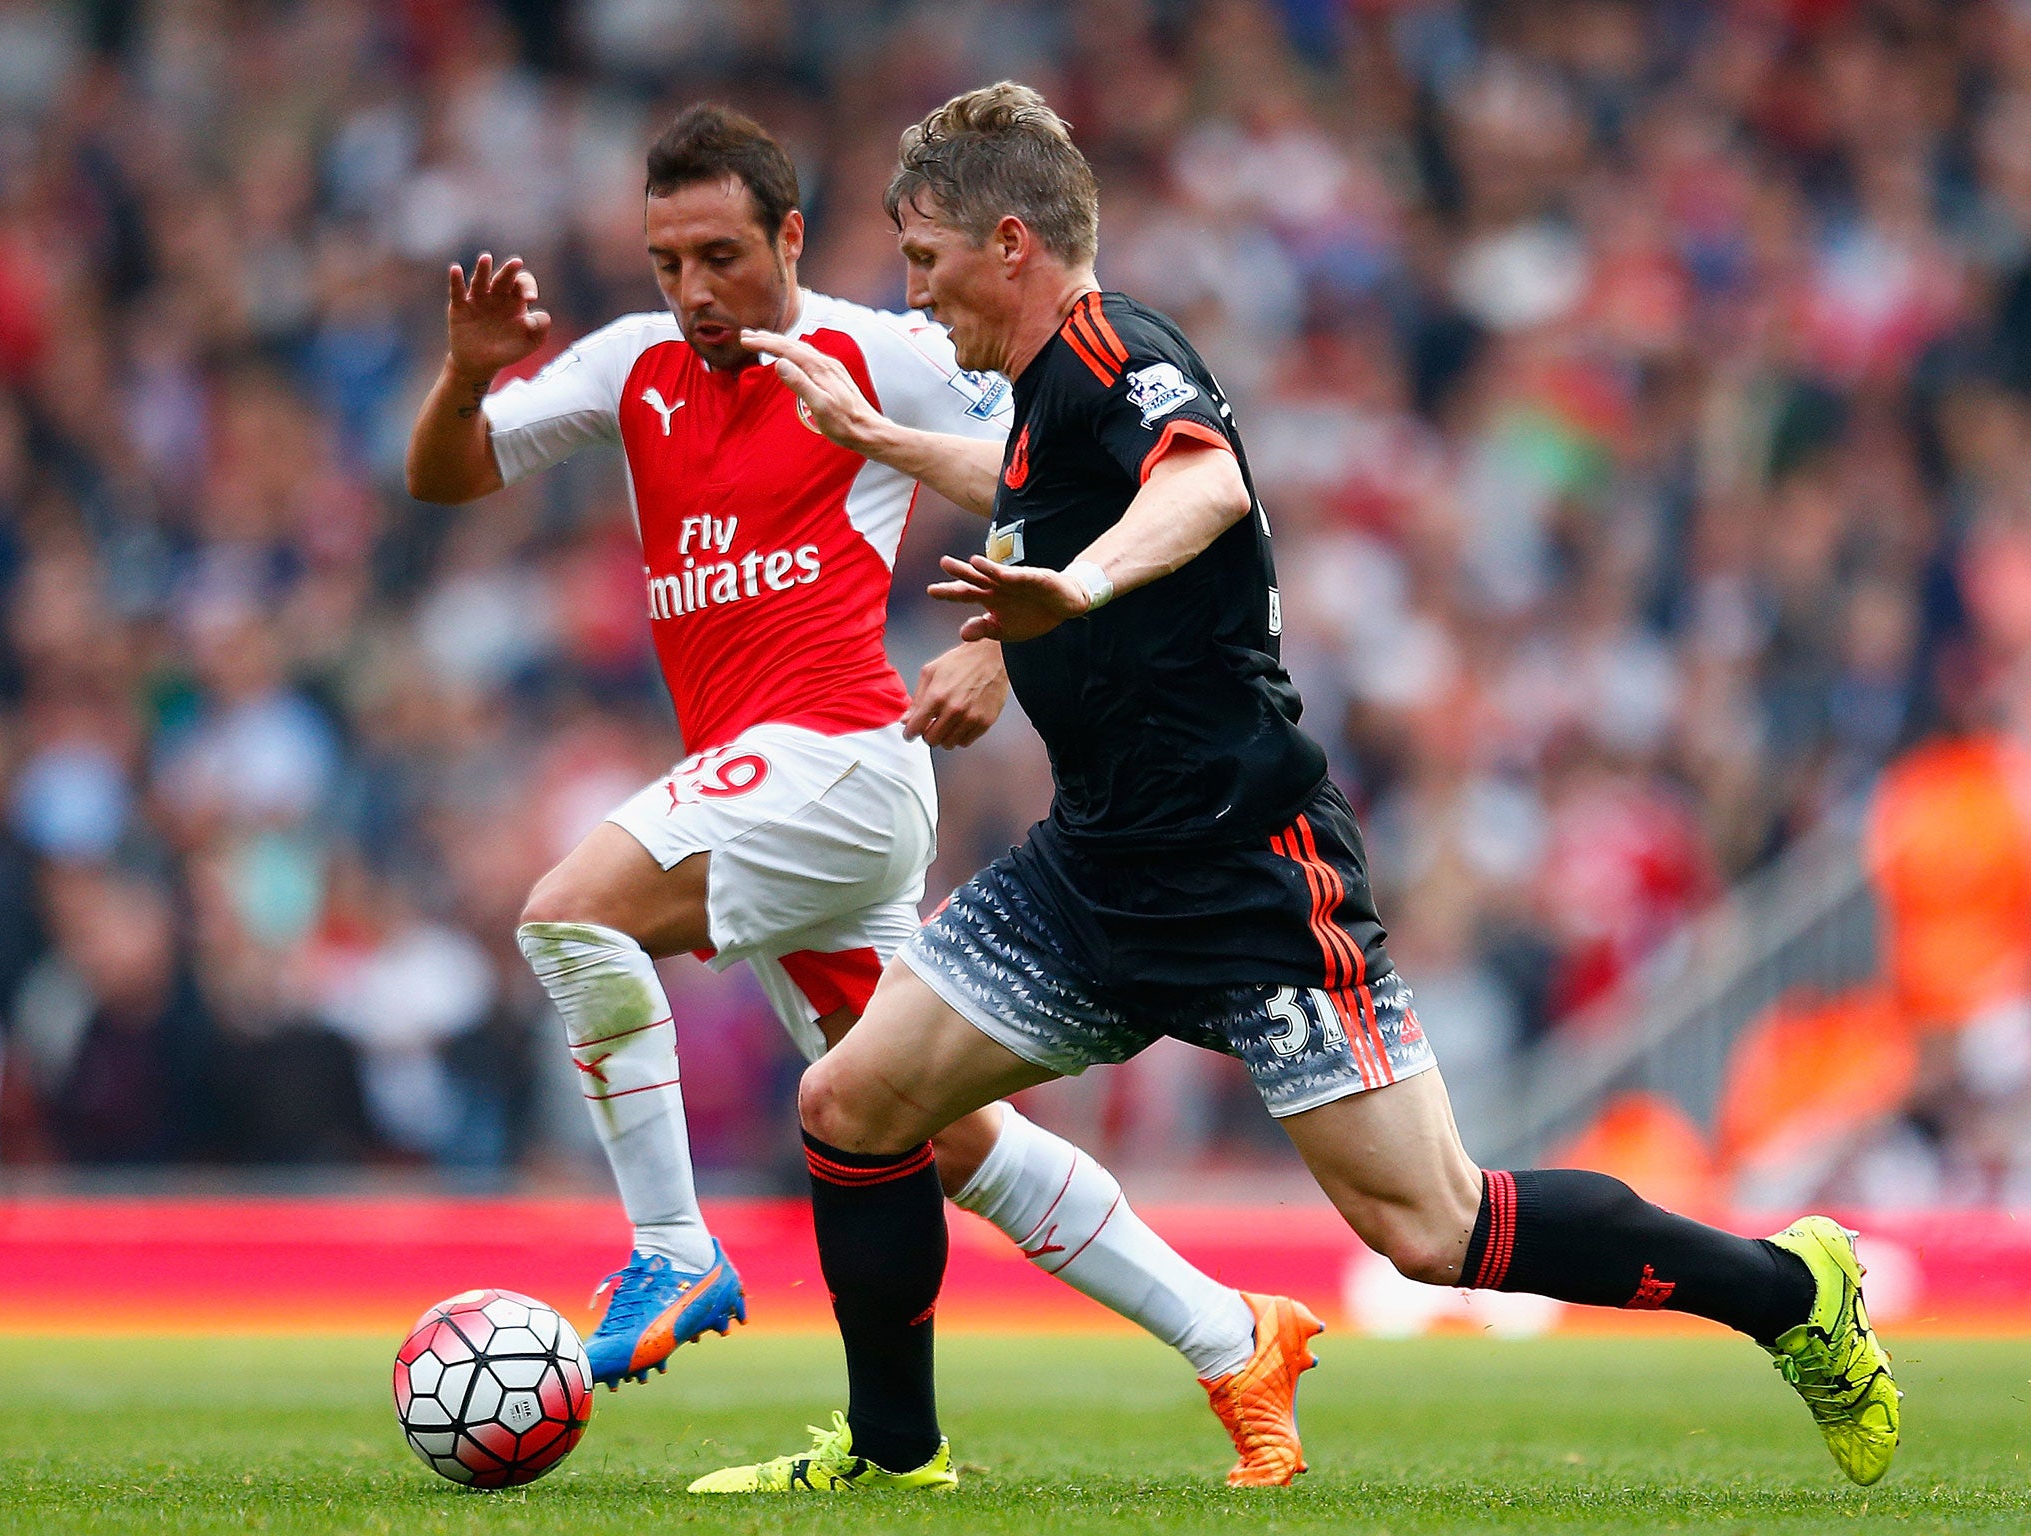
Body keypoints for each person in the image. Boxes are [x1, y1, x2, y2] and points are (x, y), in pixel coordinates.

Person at [691, 82, 1902, 1495]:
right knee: (852, 1106)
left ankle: (1788, 1293)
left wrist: (1067, 590)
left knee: (1434, 1227)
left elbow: (1199, 486)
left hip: (1249, 874)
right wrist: (877, 437)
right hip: (1095, 872)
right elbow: (1028, 484)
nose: (913, 288)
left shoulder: (1115, 348)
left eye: (922, 255)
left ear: (1007, 242)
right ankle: (897, 1455)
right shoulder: (1045, 399)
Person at [403, 103, 1303, 1482]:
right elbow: (447, 478)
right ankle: (1232, 1336)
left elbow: (1058, 480)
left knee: (567, 914)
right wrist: (465, 382)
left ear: (791, 238)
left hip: (833, 760)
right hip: (762, 792)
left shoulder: (878, 351)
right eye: (667, 263)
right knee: (943, 1139)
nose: (696, 291)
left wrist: (1002, 645)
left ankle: (668, 1252)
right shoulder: (632, 364)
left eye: (722, 254)